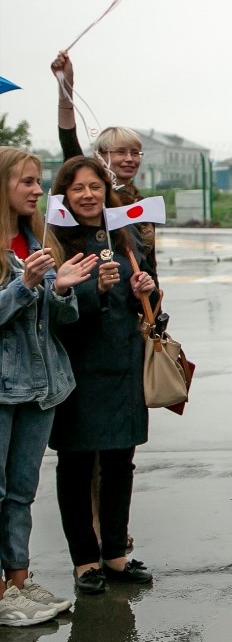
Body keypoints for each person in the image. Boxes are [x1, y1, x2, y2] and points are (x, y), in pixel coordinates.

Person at [46, 157, 158, 595]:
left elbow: (151, 306)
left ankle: (115, 554)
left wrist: (145, 291)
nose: (88, 195)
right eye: (78, 189)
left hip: (123, 364)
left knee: (119, 464)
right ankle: (84, 562)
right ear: (65, 196)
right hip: (77, 368)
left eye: (95, 187)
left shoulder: (123, 235)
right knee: (74, 466)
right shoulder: (54, 240)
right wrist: (98, 291)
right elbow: (55, 313)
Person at [0, 148, 96, 624]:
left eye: (39, 183)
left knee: (20, 491)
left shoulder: (36, 239)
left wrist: (61, 289)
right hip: (3, 388)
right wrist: (23, 286)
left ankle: (18, 582)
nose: (39, 191)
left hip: (43, 388)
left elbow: (62, 319)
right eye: (29, 183)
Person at [50, 53, 156, 272]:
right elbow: (68, 136)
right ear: (100, 155)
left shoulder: (140, 202)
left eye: (135, 153)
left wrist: (153, 297)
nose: (129, 159)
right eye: (120, 152)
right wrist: (65, 88)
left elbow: (148, 260)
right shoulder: (91, 191)